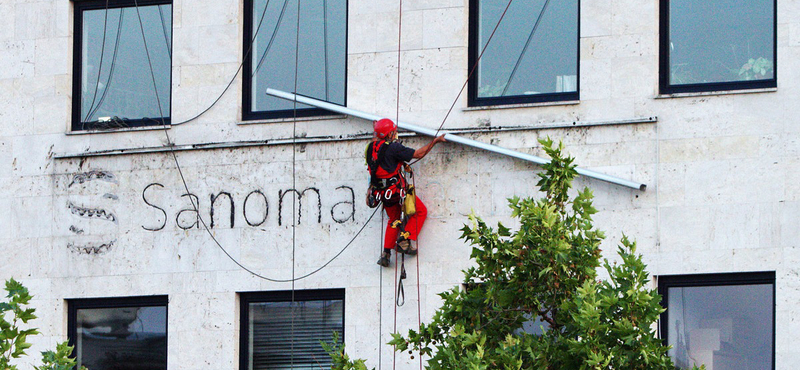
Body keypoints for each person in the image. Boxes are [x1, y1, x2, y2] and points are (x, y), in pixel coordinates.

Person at [366, 118, 446, 267]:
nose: (395, 134)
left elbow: (375, 166)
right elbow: (418, 154)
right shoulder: (394, 148)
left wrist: (377, 129)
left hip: (381, 193)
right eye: (393, 132)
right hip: (396, 191)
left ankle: (386, 253)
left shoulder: (370, 148)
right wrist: (435, 141)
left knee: (393, 219)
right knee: (420, 211)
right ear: (389, 134)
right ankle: (405, 240)